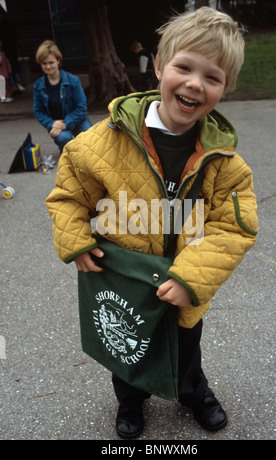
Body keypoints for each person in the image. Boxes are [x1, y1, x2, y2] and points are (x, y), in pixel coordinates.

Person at [45, 7, 258, 439]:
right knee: (125, 349)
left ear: (224, 89)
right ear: (159, 67)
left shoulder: (227, 164)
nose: (196, 83)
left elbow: (233, 229)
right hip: (122, 281)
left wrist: (191, 277)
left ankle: (193, 392)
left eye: (212, 77)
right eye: (184, 67)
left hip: (183, 285)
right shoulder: (98, 144)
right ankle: (130, 401)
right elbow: (68, 197)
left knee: (186, 350)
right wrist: (78, 241)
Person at [33, 40, 92, 153]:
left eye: (51, 62)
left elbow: (81, 108)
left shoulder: (73, 81)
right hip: (56, 124)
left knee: (90, 139)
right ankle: (66, 152)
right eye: (44, 64)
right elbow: (38, 111)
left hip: (77, 120)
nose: (48, 67)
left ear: (58, 61)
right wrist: (51, 124)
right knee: (64, 138)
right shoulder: (38, 86)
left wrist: (64, 124)